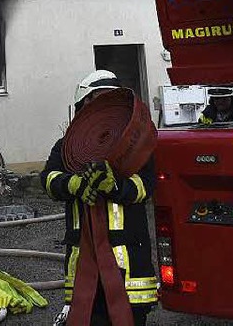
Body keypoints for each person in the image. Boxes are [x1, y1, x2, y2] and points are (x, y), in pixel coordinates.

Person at [41, 70, 158, 326]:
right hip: (86, 270)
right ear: (82, 107)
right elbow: (48, 180)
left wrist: (115, 186)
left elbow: (146, 186)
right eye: (95, 102)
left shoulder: (137, 146)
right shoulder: (67, 148)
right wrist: (74, 184)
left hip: (128, 270)